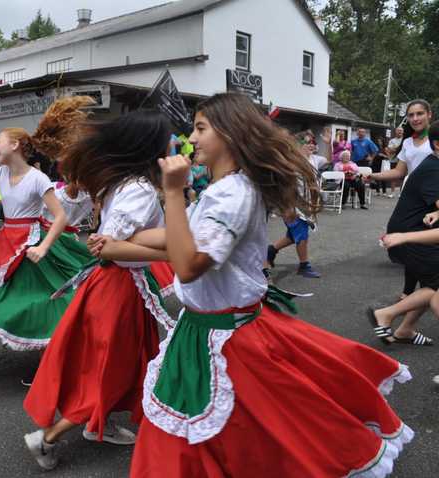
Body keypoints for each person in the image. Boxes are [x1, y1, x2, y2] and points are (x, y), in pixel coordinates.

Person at [121, 93, 412, 478]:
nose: (192, 138)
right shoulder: (223, 189)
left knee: (252, 432)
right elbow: (179, 235)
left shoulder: (233, 194)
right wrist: (122, 242)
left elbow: (188, 264)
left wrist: (173, 192)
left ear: (229, 133)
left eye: (201, 128)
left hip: (225, 336)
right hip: (202, 329)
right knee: (215, 432)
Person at [22, 110, 175, 470]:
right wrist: (173, 248)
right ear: (149, 147)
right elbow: (109, 244)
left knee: (112, 362)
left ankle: (98, 423)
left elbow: (107, 239)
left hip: (113, 285)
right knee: (112, 366)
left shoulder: (120, 181)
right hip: (119, 287)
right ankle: (46, 438)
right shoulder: (137, 188)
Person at [0, 97, 99, 353]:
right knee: (17, 291)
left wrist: (44, 247)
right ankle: (41, 342)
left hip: (32, 240)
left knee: (41, 295)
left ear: (15, 145)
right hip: (9, 238)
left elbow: (60, 217)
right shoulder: (0, 173)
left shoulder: (38, 178)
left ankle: (60, 342)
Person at [368, 120, 439, 346]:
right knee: (435, 287)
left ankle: (405, 328)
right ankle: (386, 315)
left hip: (415, 231)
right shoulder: (434, 170)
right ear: (438, 145)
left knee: (433, 284)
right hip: (410, 233)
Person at [369, 100, 434, 299]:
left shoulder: (436, 138)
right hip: (413, 199)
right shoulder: (407, 142)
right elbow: (399, 172)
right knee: (413, 246)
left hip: (433, 199)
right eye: (411, 115)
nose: (415, 118)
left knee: (427, 249)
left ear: (429, 114)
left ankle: (424, 292)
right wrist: (373, 176)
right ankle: (411, 293)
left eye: (420, 113)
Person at [265, 130, 329, 279]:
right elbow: (281, 185)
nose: (311, 145)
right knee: (302, 235)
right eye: (307, 142)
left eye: (312, 142)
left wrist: (328, 144)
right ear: (297, 145)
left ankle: (271, 251)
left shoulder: (314, 159)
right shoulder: (289, 162)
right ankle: (304, 265)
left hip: (307, 205)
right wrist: (285, 208)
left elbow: (329, 160)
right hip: (293, 206)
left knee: (293, 235)